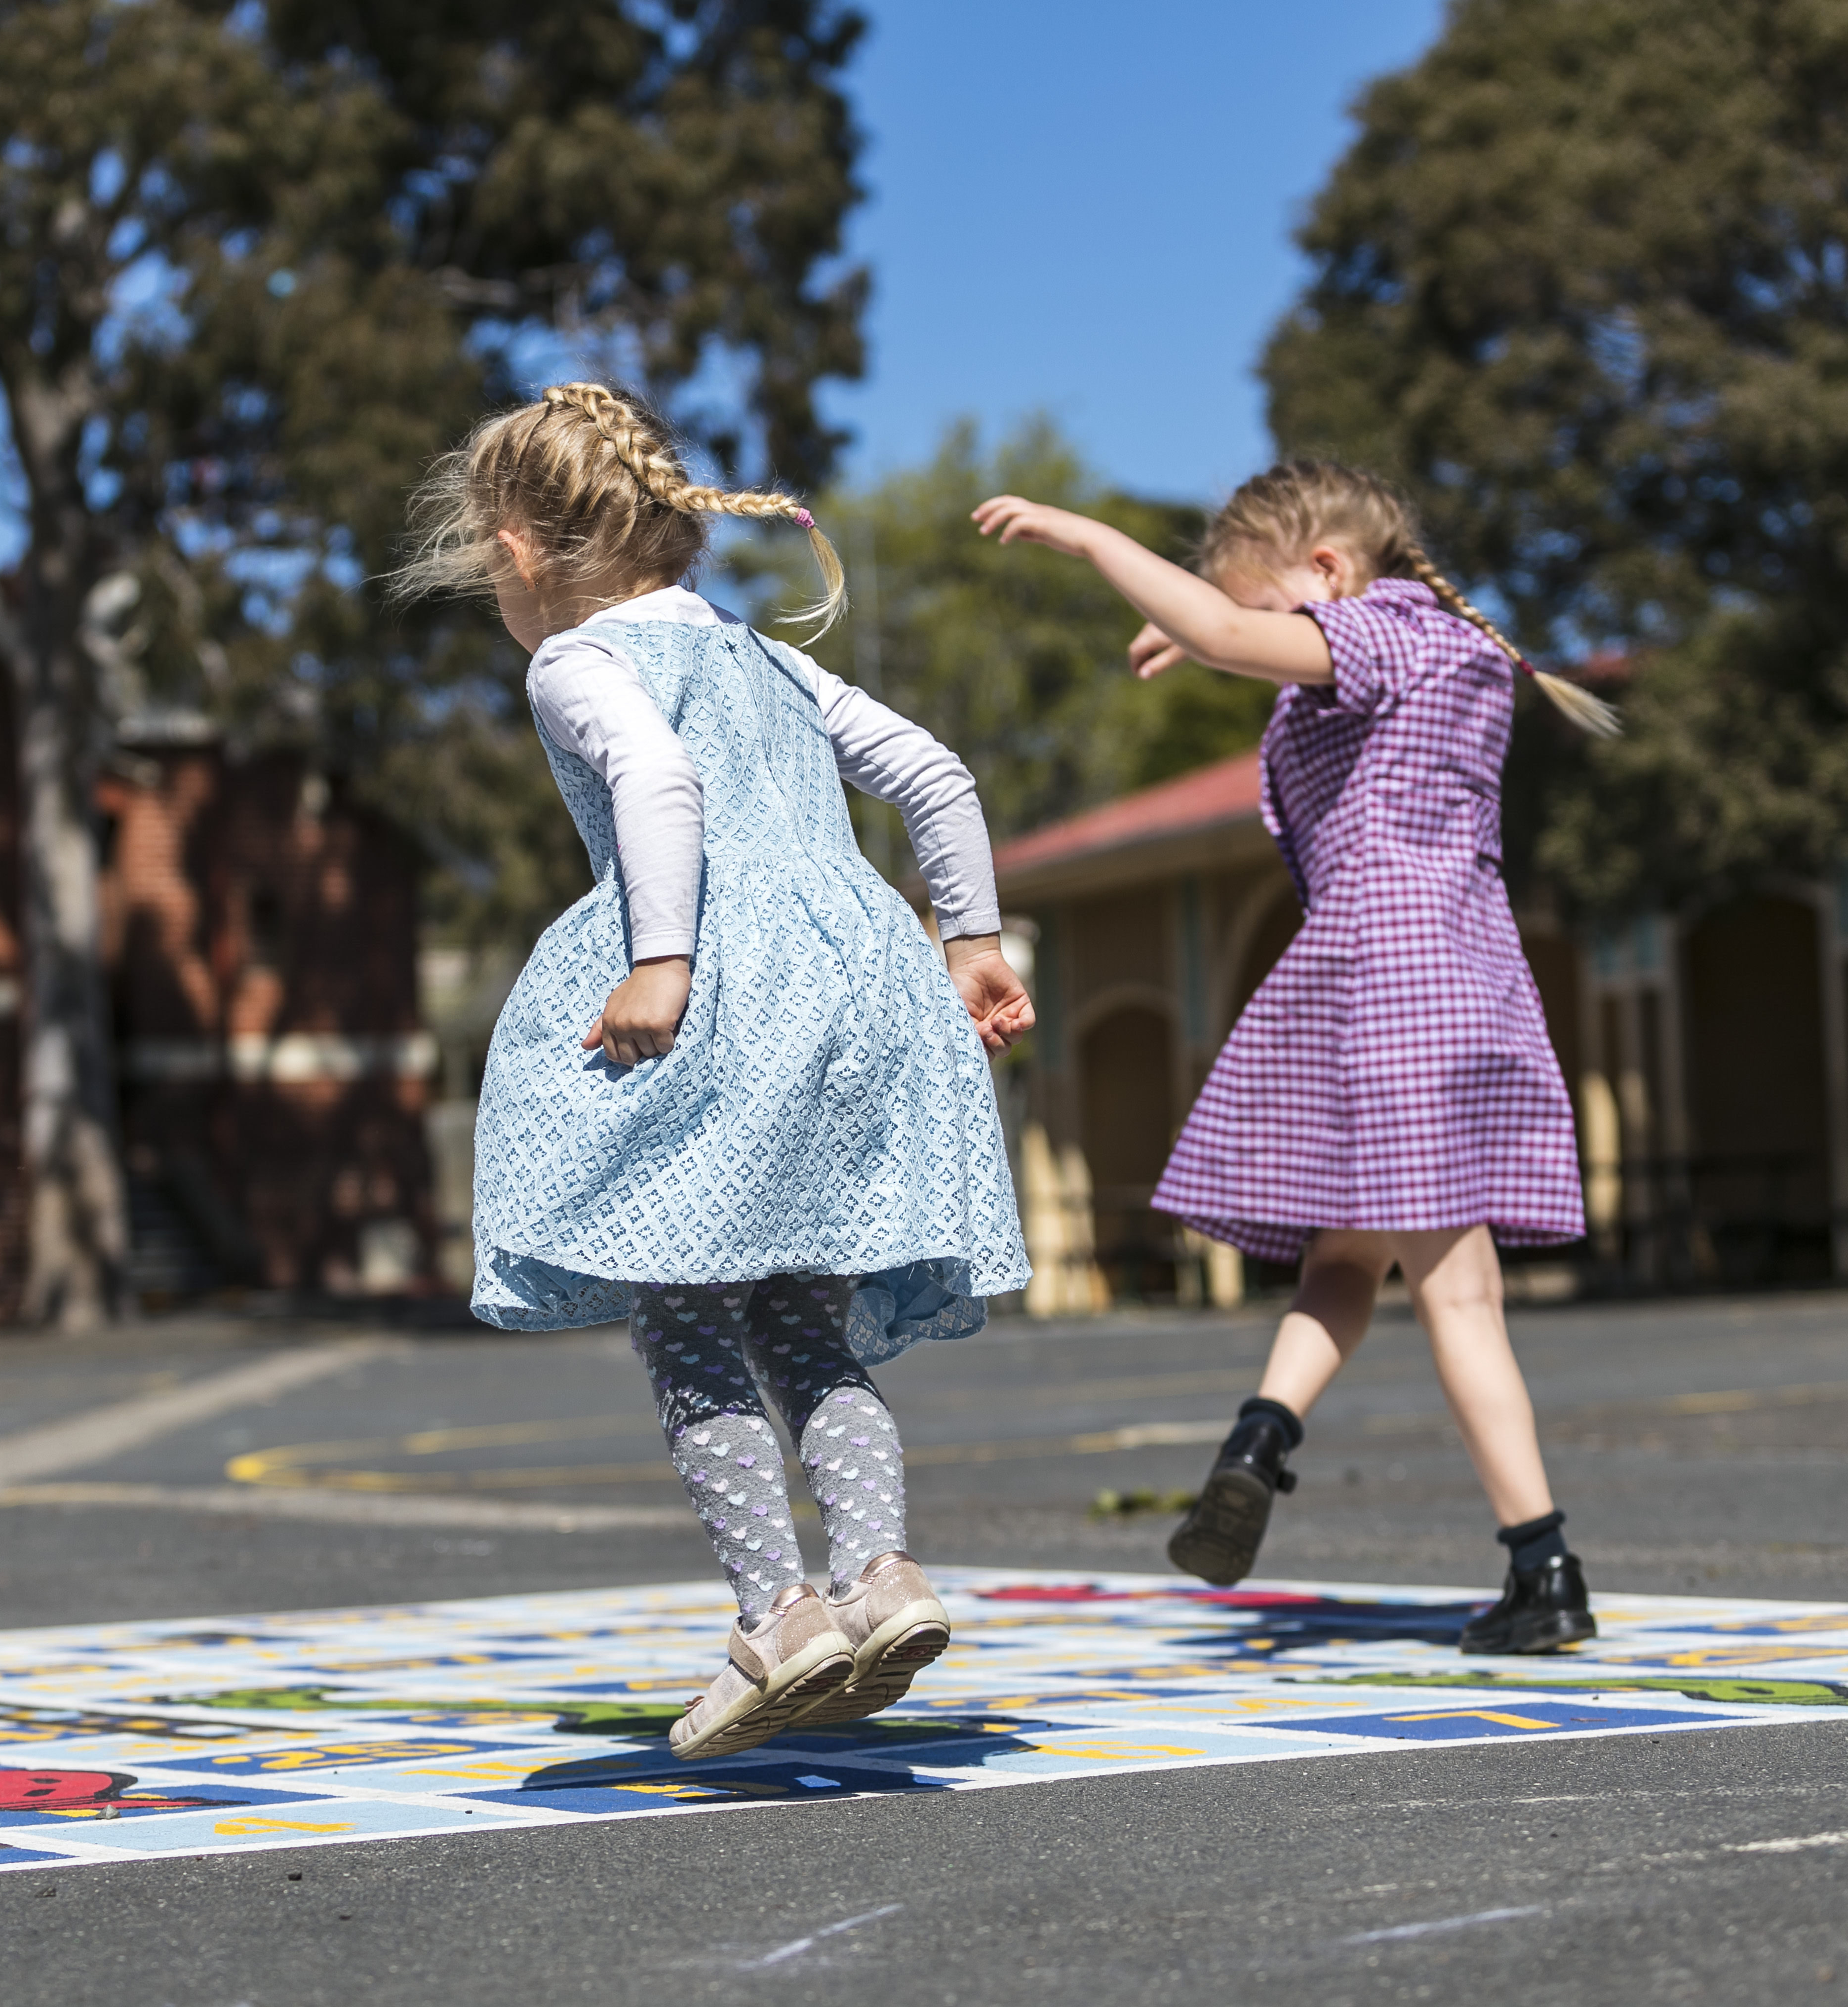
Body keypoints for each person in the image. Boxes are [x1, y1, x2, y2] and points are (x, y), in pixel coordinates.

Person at [406, 382, 1033, 1756]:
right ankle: (881, 1575)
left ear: (519, 550)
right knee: (802, 1317)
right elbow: (935, 776)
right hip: (852, 976)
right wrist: (972, 942)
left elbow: (658, 786)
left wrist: (663, 959)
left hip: (726, 989)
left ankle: (780, 1612)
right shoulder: (768, 656)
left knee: (688, 1316)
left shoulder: (574, 658)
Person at [972, 461, 1614, 1656]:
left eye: (1280, 619)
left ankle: (1546, 1564)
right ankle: (1260, 1437)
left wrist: (1089, 538)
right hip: (1475, 976)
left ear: (1327, 571)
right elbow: (1248, 643)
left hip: (1382, 984)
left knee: (1453, 1295)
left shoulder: (1374, 631)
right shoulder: (1461, 651)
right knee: (1344, 1258)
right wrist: (1214, 643)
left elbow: (1234, 628)